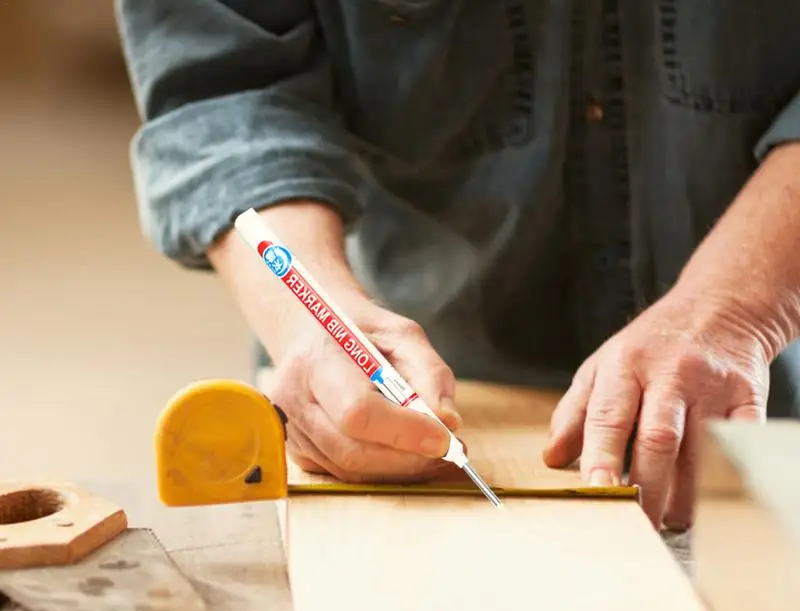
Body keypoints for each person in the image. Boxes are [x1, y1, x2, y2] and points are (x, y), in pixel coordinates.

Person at [114, 1, 800, 531]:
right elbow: (225, 82)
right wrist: (310, 318)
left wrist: (739, 305)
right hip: (406, 395)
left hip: (772, 406)